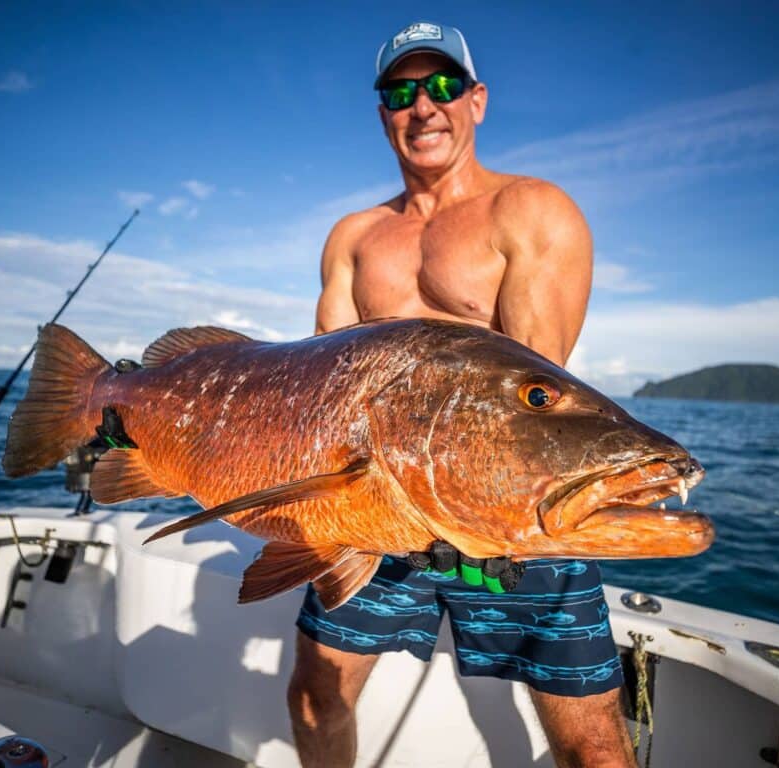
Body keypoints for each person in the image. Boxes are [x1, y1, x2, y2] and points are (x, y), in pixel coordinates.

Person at [286, 21, 636, 768]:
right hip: (376, 512)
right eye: (401, 91)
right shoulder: (353, 236)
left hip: (506, 515)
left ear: (476, 100)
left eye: (442, 86)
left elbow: (534, 391)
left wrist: (473, 501)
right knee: (317, 692)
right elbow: (324, 392)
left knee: (593, 745)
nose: (424, 106)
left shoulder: (530, 210)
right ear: (382, 110)